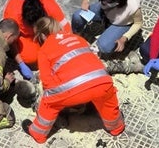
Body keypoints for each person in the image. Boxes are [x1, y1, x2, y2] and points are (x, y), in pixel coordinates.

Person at [21, 16, 125, 144]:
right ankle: (116, 127)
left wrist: (54, 99)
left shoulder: (44, 50)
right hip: (102, 82)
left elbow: (48, 82)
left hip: (72, 92)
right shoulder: (78, 38)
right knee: (108, 100)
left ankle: (37, 133)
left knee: (49, 103)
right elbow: (92, 59)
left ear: (42, 35)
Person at [3, 0, 71, 80]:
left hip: (47, 27)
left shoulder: (49, 6)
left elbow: (65, 31)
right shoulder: (13, 14)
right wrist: (21, 63)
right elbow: (11, 41)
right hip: (26, 36)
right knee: (31, 58)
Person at [72, 0, 143, 54]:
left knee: (104, 46)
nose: (103, 2)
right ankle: (77, 35)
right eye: (101, 0)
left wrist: (125, 37)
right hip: (103, 12)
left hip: (121, 23)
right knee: (78, 16)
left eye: (106, 2)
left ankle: (107, 38)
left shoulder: (133, 6)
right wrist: (85, 0)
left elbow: (138, 23)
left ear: (117, 2)